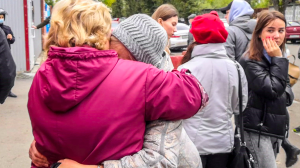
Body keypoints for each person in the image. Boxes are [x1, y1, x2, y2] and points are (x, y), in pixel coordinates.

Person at [27, 1, 205, 168]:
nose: (113, 59)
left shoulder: (42, 74)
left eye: (126, 57)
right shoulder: (137, 78)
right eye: (112, 42)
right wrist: (44, 144)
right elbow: (197, 93)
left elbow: (160, 159)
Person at [178, 11, 248, 168]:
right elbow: (239, 107)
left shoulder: (185, 69)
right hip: (223, 143)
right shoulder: (236, 68)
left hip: (191, 144)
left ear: (196, 37)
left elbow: (179, 109)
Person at [239, 10, 294, 168]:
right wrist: (278, 60)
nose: (277, 35)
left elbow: (288, 96)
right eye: (270, 30)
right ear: (258, 33)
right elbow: (274, 91)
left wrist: (278, 60)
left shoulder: (277, 57)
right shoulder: (250, 60)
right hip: (257, 129)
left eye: (281, 30)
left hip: (274, 128)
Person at [152, 4, 178, 71]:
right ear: (160, 21)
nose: (175, 30)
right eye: (173, 24)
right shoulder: (152, 49)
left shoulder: (163, 45)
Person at [0, 8, 17, 98]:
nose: (1, 18)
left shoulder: (7, 28)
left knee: (8, 71)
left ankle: (8, 91)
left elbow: (13, 40)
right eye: (0, 17)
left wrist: (11, 38)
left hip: (6, 54)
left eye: (2, 17)